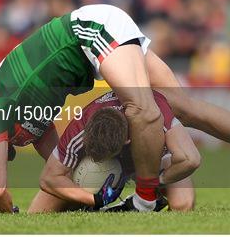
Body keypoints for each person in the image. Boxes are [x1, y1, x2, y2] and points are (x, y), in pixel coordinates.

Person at [0, 4, 230, 213]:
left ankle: (146, 200)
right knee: (182, 106)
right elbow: (59, 167)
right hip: (95, 34)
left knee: (142, 108)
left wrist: (8, 217)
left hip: (88, 31)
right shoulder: (15, 114)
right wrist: (92, 197)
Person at [28, 90, 198, 213]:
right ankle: (93, 206)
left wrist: (153, 183)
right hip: (95, 175)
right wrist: (94, 199)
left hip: (151, 164)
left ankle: (137, 201)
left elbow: (190, 159)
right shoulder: (79, 127)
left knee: (183, 204)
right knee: (37, 212)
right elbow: (48, 178)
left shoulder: (154, 112)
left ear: (127, 140)